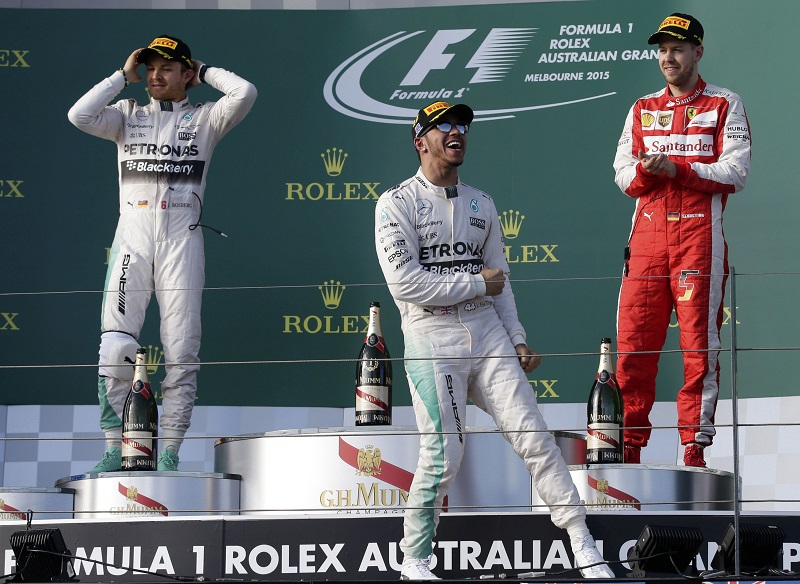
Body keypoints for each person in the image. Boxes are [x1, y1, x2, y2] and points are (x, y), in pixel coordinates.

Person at [375, 101, 614, 580]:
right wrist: (476, 284)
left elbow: (502, 284)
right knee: (444, 452)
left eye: (461, 125)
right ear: (420, 141)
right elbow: (406, 284)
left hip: (487, 333)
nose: (456, 132)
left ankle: (583, 545)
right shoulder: (395, 203)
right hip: (430, 337)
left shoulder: (482, 203)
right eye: (443, 125)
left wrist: (518, 338)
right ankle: (415, 560)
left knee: (536, 438)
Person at [68, 35, 257, 472]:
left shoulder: (207, 118)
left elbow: (244, 91)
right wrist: (121, 76)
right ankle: (115, 448)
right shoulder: (125, 115)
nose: (155, 75)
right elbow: (78, 115)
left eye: (167, 68)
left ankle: (168, 452)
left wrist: (203, 67)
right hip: (132, 240)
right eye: (150, 67)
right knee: (115, 347)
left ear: (186, 75)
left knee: (181, 353)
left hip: (182, 241)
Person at [612, 13, 751, 467]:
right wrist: (644, 174)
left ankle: (694, 449)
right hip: (647, 240)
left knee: (698, 348)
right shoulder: (641, 109)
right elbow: (621, 173)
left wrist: (679, 169)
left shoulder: (724, 102)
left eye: (677, 48)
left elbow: (736, 171)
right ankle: (627, 448)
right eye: (662, 50)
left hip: (698, 240)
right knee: (633, 347)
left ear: (698, 52)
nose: (668, 58)